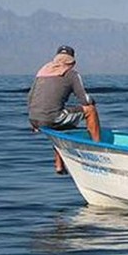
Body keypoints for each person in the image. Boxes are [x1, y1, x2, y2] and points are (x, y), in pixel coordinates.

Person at [28, 45, 101, 174]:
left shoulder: (42, 72)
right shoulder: (71, 74)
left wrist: (34, 122)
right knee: (90, 110)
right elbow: (84, 100)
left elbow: (30, 97)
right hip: (52, 117)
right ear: (72, 62)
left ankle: (59, 165)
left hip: (34, 118)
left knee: (60, 124)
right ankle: (98, 151)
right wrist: (93, 102)